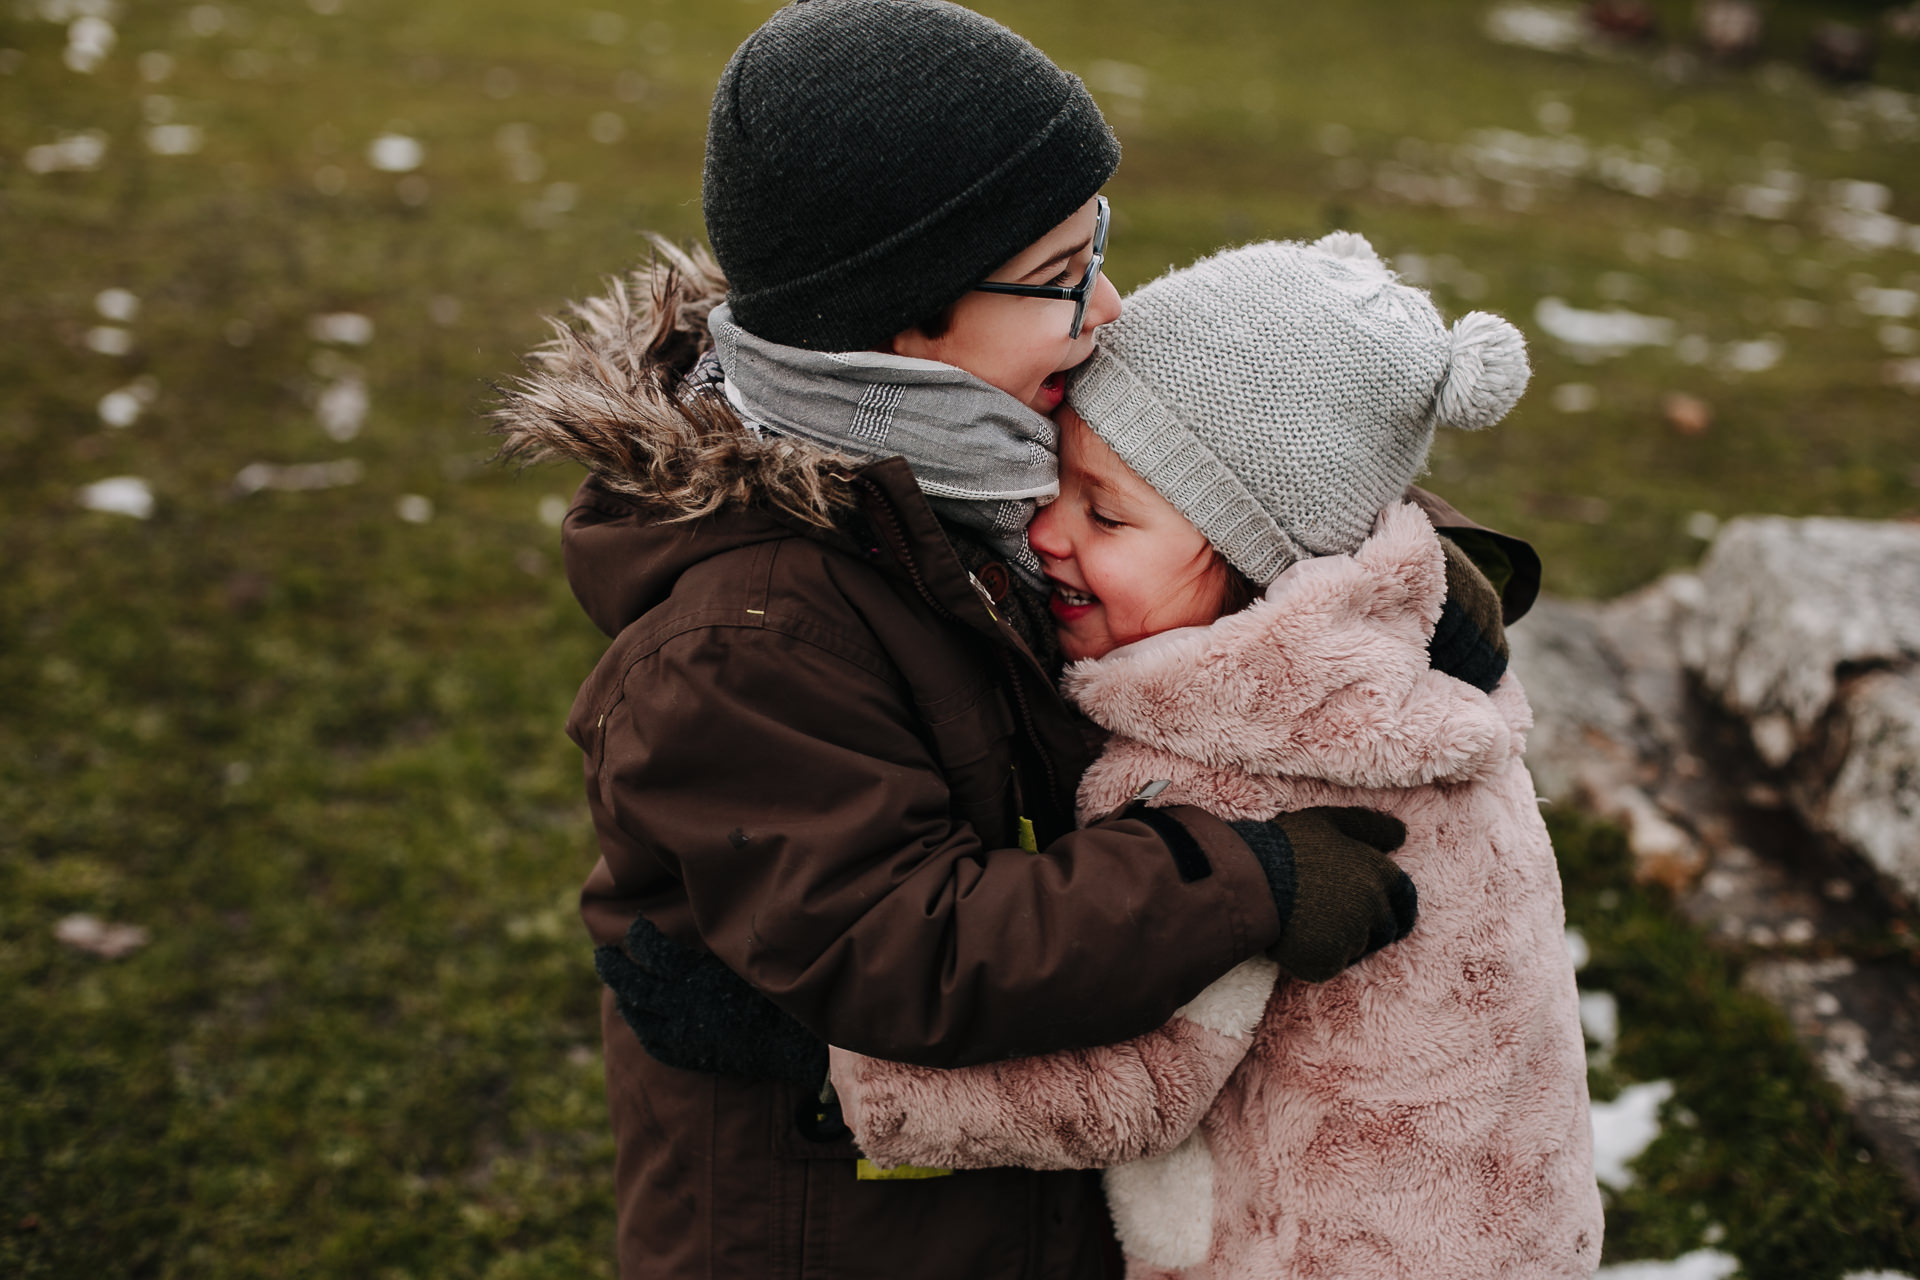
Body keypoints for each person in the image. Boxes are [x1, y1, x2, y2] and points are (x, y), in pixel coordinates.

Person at [493, 3, 1527, 1275]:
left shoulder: (975, 431)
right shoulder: (747, 635)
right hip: (841, 1221)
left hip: (1032, 1190)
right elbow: (903, 944)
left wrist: (1406, 568)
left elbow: (1231, 460)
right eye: (1057, 278)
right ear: (896, 316)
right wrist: (1243, 882)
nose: (1105, 309)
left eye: (1100, 251)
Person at [830, 235, 1602, 1279]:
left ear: (1254, 556)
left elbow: (1124, 1088)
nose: (1045, 532)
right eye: (1054, 484)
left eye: (1103, 512)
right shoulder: (1398, 674)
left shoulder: (1243, 769)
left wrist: (839, 1067)